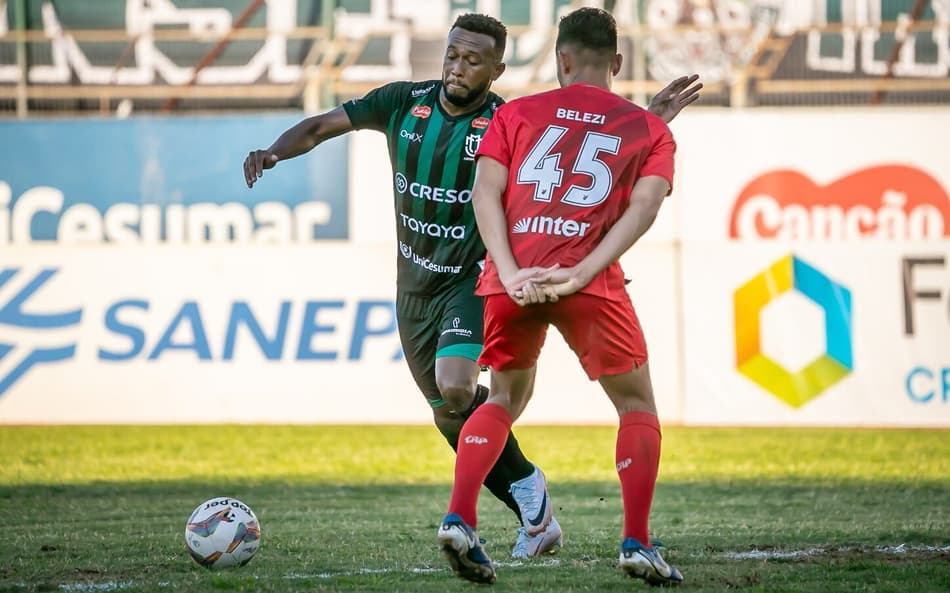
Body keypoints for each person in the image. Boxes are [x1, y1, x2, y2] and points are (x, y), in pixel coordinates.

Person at [244, 13, 700, 561]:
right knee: (446, 409)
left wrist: (645, 122)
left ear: (498, 69)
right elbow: (319, 126)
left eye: (473, 59)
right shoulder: (401, 101)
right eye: (453, 55)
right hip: (414, 283)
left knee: (461, 388)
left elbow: (575, 158)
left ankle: (480, 512)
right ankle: (530, 495)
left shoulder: (508, 117)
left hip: (476, 278)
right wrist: (273, 150)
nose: (458, 67)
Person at [436, 7, 687, 586]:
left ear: (561, 59)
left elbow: (486, 194)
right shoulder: (650, 130)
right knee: (635, 406)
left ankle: (461, 518)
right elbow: (643, 207)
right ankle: (637, 542)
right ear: (617, 63)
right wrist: (581, 273)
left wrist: (508, 271)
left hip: (511, 280)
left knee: (501, 398)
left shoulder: (517, 112)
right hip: (588, 283)